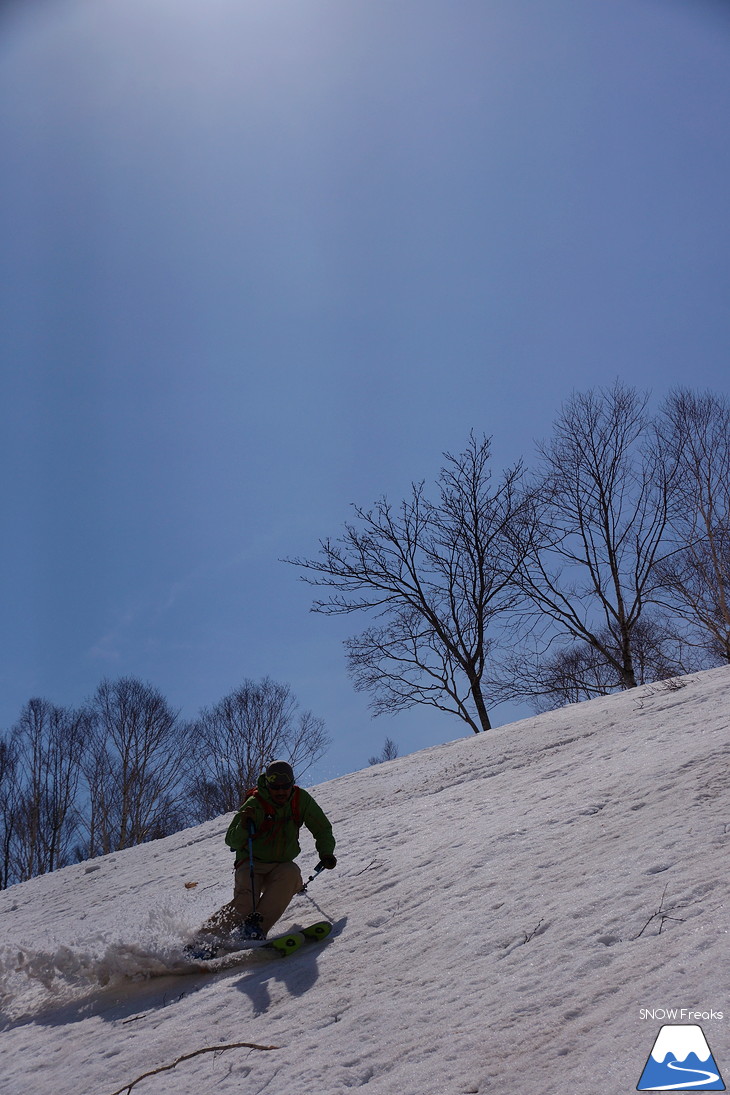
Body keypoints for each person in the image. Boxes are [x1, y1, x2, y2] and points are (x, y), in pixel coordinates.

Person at [199, 760, 337, 943]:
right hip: (251, 864)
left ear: (292, 784)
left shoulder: (300, 800)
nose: (281, 791)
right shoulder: (255, 804)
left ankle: (253, 930)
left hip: (280, 866)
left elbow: (322, 828)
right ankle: (203, 939)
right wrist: (243, 825)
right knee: (246, 903)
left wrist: (326, 852)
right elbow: (231, 840)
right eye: (275, 787)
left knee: (291, 873)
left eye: (285, 787)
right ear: (268, 785)